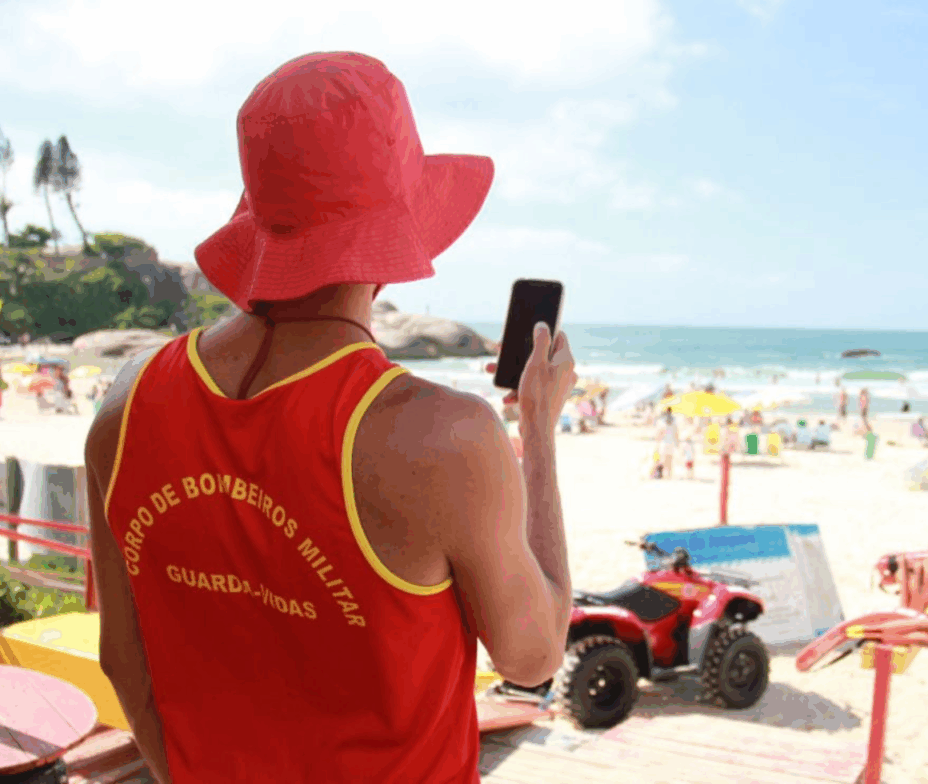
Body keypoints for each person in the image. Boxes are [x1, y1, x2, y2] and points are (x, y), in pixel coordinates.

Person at [84, 52, 576, 784]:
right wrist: (537, 427)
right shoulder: (439, 438)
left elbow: (126, 666)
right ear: (396, 230)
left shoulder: (125, 405)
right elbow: (531, 658)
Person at [655, 410, 679, 478]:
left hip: (664, 442)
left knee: (663, 459)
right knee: (670, 459)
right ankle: (669, 474)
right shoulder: (674, 422)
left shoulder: (662, 423)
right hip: (671, 443)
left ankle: (664, 474)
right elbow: (676, 434)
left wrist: (657, 443)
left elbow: (659, 434)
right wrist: (677, 443)